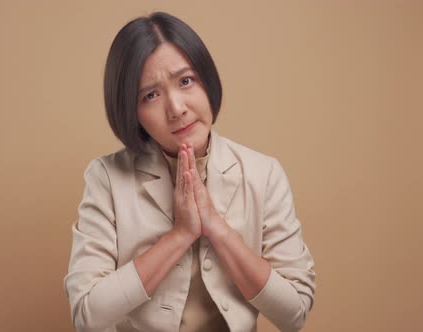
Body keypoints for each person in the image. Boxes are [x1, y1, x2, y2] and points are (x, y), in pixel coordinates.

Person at [64, 12, 315, 332]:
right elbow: (88, 317)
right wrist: (179, 235)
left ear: (207, 81)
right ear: (131, 110)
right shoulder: (106, 178)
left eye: (186, 81)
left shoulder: (263, 173)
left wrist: (217, 229)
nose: (177, 108)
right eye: (150, 95)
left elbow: (294, 314)